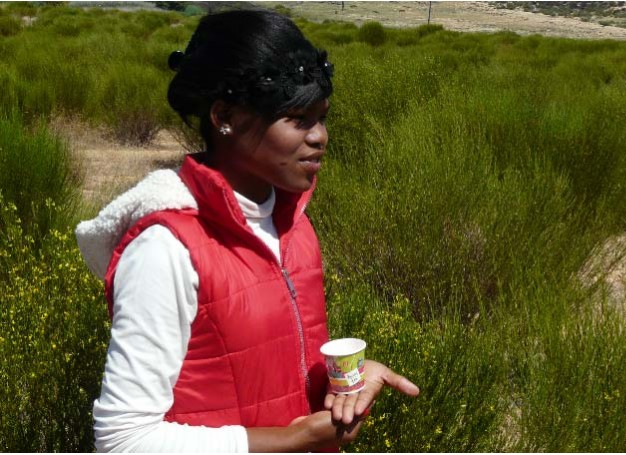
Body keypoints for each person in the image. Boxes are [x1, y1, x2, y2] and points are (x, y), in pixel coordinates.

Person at [75, 9, 419, 452]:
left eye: (323, 117)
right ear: (225, 116)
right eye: (299, 119)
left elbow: (276, 369)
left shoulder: (292, 223)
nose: (320, 137)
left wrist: (345, 382)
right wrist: (294, 438)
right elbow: (123, 439)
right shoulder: (165, 248)